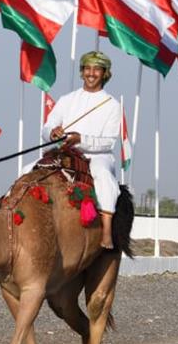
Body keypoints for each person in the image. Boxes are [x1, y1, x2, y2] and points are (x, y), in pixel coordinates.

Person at [44, 51, 122, 250]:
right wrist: (53, 133)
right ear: (82, 72)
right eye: (87, 68)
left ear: (105, 73)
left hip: (97, 156)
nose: (91, 73)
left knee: (103, 176)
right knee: (28, 170)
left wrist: (81, 140)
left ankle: (106, 231)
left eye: (96, 69)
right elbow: (47, 127)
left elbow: (109, 142)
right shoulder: (66, 99)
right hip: (65, 152)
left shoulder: (112, 105)